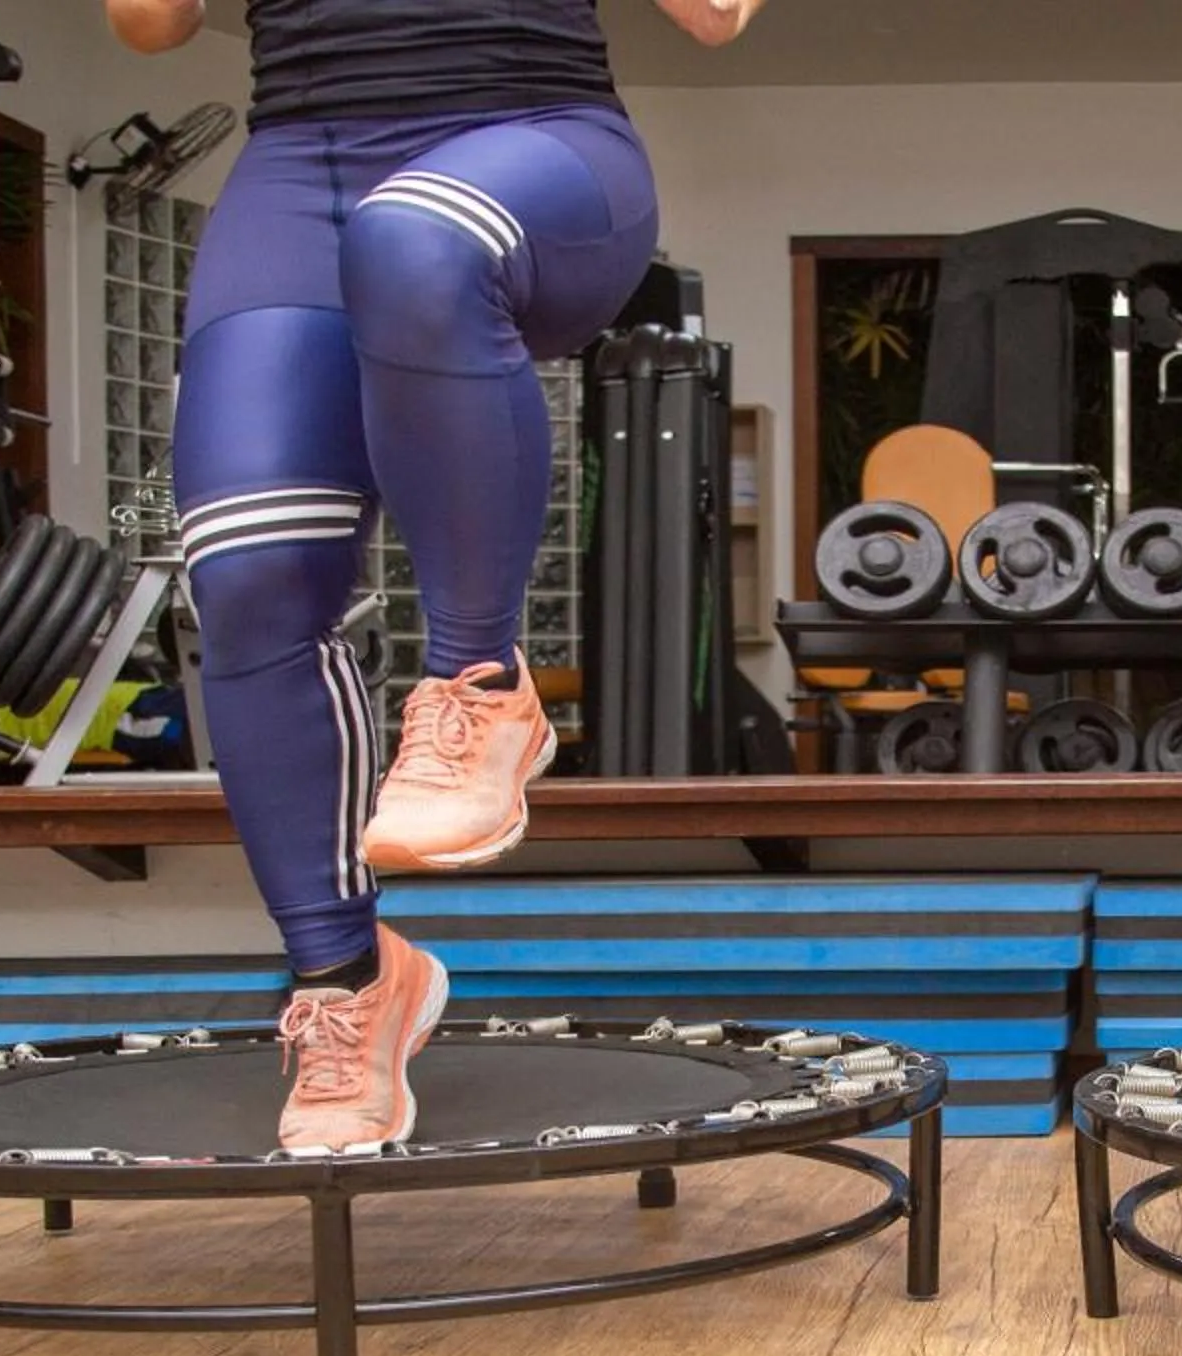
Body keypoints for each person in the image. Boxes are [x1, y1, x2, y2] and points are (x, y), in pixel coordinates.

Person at [105, 0, 765, 1151]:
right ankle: (350, 983)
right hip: (297, 166)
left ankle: (481, 688)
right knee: (251, 575)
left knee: (415, 238)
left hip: (535, 140)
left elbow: (719, 17)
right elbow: (150, 25)